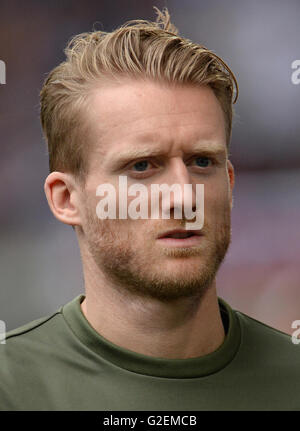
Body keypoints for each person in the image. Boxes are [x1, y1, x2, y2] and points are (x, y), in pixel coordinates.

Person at [0, 6, 299, 411]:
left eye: (202, 162)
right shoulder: (12, 388)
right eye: (142, 166)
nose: (183, 195)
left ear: (229, 184)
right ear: (67, 199)